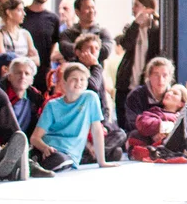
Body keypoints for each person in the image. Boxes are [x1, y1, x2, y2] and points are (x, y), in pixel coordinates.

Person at [31, 62, 116, 171]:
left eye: (82, 79)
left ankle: (33, 165)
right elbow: (35, 138)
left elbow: (97, 130)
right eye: (74, 79)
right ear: (64, 83)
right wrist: (45, 148)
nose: (78, 82)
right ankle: (29, 162)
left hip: (68, 155)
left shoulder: (90, 98)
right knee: (37, 154)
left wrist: (102, 162)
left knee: (62, 160)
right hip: (47, 149)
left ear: (86, 84)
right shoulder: (52, 105)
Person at [73, 33, 126, 163]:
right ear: (78, 52)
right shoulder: (74, 70)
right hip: (80, 124)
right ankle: (95, 153)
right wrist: (96, 66)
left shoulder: (98, 71)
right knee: (115, 153)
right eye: (89, 48)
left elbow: (103, 100)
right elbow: (92, 87)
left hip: (98, 123)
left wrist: (105, 124)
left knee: (121, 135)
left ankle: (93, 154)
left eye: (96, 49)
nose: (93, 52)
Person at [115, 0, 160, 131]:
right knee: (123, 116)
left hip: (144, 80)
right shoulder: (131, 28)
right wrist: (136, 24)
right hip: (127, 79)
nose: (133, 9)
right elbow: (126, 44)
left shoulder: (157, 30)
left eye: (137, 6)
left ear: (148, 9)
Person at [22, 0, 60, 93]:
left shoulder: (53, 18)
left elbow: (55, 42)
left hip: (44, 70)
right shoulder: (22, 14)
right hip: (24, 68)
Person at [0, 0, 41, 71]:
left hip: (24, 77)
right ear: (9, 12)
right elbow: (4, 61)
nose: (24, 14)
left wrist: (16, 59)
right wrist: (28, 59)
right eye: (19, 10)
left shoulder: (25, 34)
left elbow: (37, 60)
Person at [58, 0, 114, 65]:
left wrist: (80, 50)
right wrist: (93, 49)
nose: (91, 11)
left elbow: (105, 51)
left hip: (96, 71)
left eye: (93, 8)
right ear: (77, 12)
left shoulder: (102, 32)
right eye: (87, 8)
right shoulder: (67, 33)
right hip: (74, 71)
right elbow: (65, 49)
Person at [124, 57, 174, 135]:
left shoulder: (175, 96)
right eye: (156, 75)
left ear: (170, 77)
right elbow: (133, 123)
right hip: (143, 136)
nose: (160, 80)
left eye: (164, 75)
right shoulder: (136, 96)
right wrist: (153, 134)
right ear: (149, 76)